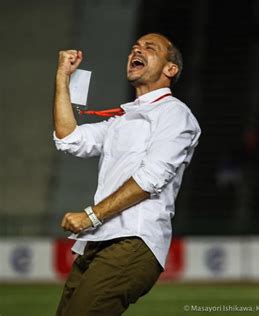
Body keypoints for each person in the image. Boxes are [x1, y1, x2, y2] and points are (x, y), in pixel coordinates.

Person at [53, 33, 201, 315]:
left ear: (171, 69)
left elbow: (151, 179)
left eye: (150, 47)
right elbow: (68, 139)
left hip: (134, 240)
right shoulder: (122, 120)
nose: (137, 48)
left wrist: (91, 215)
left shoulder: (175, 114)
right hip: (99, 240)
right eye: (135, 46)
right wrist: (63, 76)